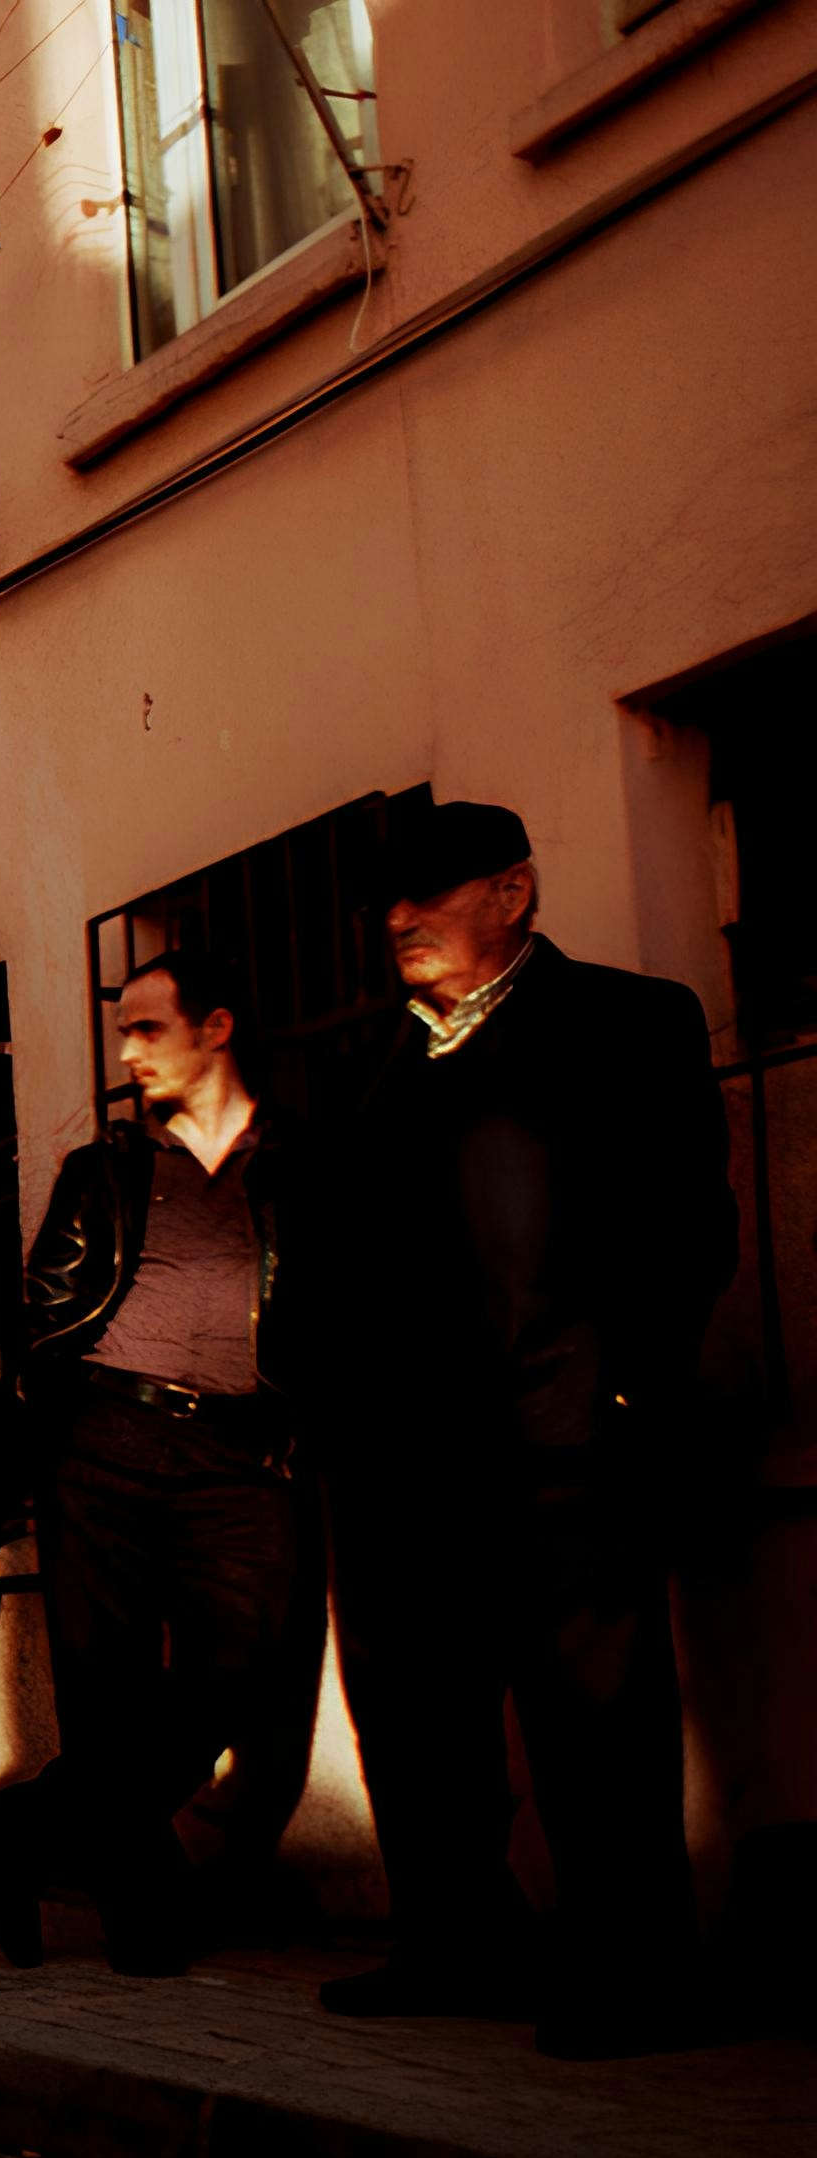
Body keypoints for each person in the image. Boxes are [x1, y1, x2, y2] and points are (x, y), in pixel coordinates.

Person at [314, 800, 735, 2058]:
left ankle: (637, 1972)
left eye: (432, 894)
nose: (400, 920)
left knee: (597, 1720)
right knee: (426, 1718)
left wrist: (623, 1391)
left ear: (514, 891)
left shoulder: (630, 1022)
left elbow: (689, 1231)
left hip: (570, 1441)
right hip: (408, 1463)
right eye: (389, 900)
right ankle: (455, 1941)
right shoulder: (367, 1067)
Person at [0, 951, 300, 1978]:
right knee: (107, 1689)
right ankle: (141, 1915)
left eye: (149, 1028)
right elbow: (45, 1305)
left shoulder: (294, 1162)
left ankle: (23, 1831)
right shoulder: (107, 1168)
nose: (126, 1051)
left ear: (218, 1026)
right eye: (123, 1030)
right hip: (109, 1441)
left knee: (240, 1674)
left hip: (239, 1452)